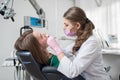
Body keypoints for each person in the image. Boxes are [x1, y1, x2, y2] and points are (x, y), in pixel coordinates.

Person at [47, 7, 111, 80]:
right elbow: (65, 52)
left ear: (77, 25)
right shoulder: (81, 39)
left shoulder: (91, 42)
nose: (64, 28)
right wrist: (52, 45)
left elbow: (72, 71)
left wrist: (56, 48)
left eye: (66, 25)